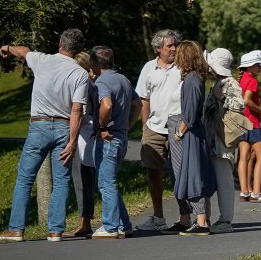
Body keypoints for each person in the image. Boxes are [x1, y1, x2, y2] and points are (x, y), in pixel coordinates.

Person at [0, 29, 89, 242]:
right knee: (61, 180)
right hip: (64, 127)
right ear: (78, 50)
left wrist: (8, 48)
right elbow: (77, 109)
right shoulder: (80, 74)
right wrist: (73, 142)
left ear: (60, 43)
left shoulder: (42, 60)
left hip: (39, 126)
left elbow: (23, 51)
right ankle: (55, 230)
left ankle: (16, 229)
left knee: (25, 178)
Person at [134, 28, 183, 231]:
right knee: (153, 173)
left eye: (175, 45)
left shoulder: (182, 66)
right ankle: (158, 217)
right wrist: (145, 125)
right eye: (169, 45)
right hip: (154, 128)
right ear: (158, 48)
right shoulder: (148, 67)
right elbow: (143, 98)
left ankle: (185, 217)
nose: (174, 49)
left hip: (178, 128)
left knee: (180, 173)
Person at [169, 41, 217, 234]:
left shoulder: (191, 80)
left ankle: (201, 221)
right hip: (190, 130)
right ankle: (196, 219)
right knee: (188, 172)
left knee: (191, 172)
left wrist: (179, 132)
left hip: (188, 132)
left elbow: (189, 114)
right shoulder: (194, 78)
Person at [90, 46, 136, 238]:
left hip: (108, 137)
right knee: (111, 182)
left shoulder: (102, 81)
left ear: (95, 63)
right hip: (121, 135)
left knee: (105, 183)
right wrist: (127, 125)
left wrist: (102, 127)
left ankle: (109, 226)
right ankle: (124, 224)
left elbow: (106, 104)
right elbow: (137, 104)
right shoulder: (123, 79)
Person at [201, 48, 243, 233]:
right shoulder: (218, 83)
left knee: (224, 180)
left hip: (222, 141)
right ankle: (206, 218)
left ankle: (226, 220)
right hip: (212, 138)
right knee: (212, 178)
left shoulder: (229, 83)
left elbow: (238, 106)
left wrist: (221, 99)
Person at [63, 50, 102, 239]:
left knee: (82, 180)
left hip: (83, 136)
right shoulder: (94, 84)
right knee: (89, 180)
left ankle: (85, 222)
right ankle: (86, 221)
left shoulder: (84, 85)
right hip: (90, 134)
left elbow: (79, 112)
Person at [236, 50, 261, 203]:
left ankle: (244, 191)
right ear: (250, 66)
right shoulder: (252, 80)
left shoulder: (242, 78)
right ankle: (256, 193)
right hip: (252, 122)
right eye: (259, 65)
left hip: (241, 121)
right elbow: (247, 101)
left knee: (243, 157)